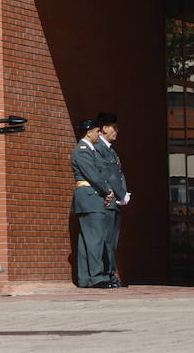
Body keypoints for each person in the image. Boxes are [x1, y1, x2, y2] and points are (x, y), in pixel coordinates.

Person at [72, 118, 117, 289]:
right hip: (90, 198)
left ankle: (85, 278)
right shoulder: (83, 150)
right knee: (95, 240)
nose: (99, 134)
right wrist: (107, 190)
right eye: (97, 131)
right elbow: (93, 174)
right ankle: (97, 277)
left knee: (86, 241)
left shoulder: (88, 150)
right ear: (89, 132)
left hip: (89, 198)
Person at [95, 111, 129, 288]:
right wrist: (121, 193)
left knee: (112, 242)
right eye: (114, 127)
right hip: (107, 201)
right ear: (104, 128)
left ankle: (110, 275)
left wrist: (123, 194)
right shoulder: (99, 148)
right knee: (106, 241)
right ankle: (106, 275)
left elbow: (118, 173)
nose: (117, 131)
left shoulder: (110, 150)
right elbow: (108, 175)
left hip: (116, 201)